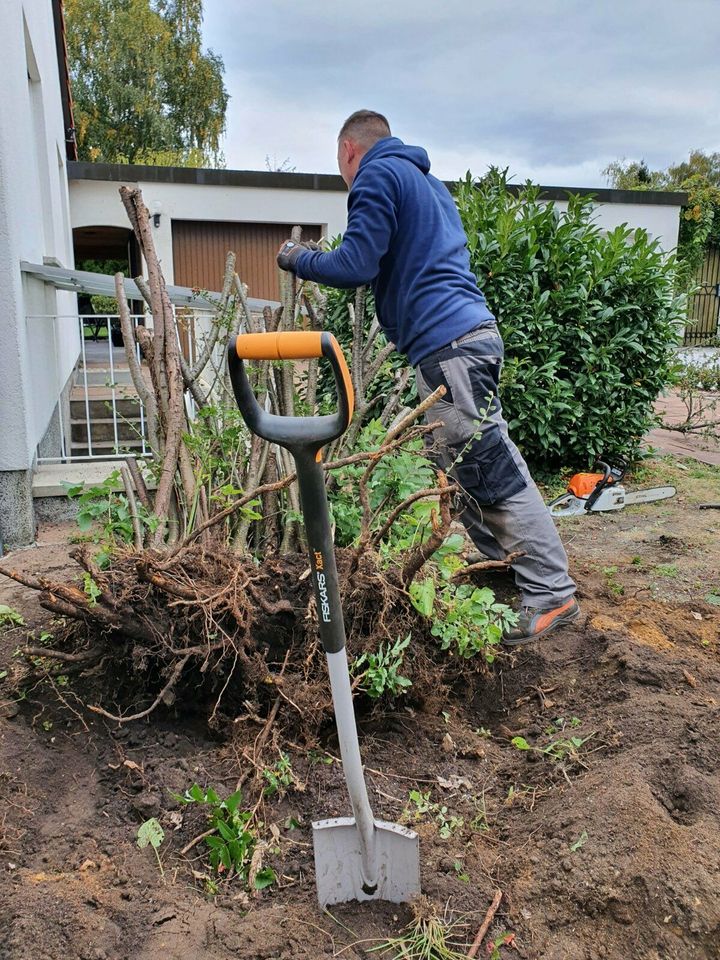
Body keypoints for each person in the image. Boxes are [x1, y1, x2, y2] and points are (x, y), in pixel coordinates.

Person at [276, 110, 578, 645]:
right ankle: (512, 570)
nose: (345, 174)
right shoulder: (427, 183)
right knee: (461, 469)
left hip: (450, 345)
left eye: (340, 163)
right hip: (463, 339)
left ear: (349, 149)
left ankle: (551, 593)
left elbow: (355, 266)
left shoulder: (375, 174)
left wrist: (298, 258)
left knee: (488, 467)